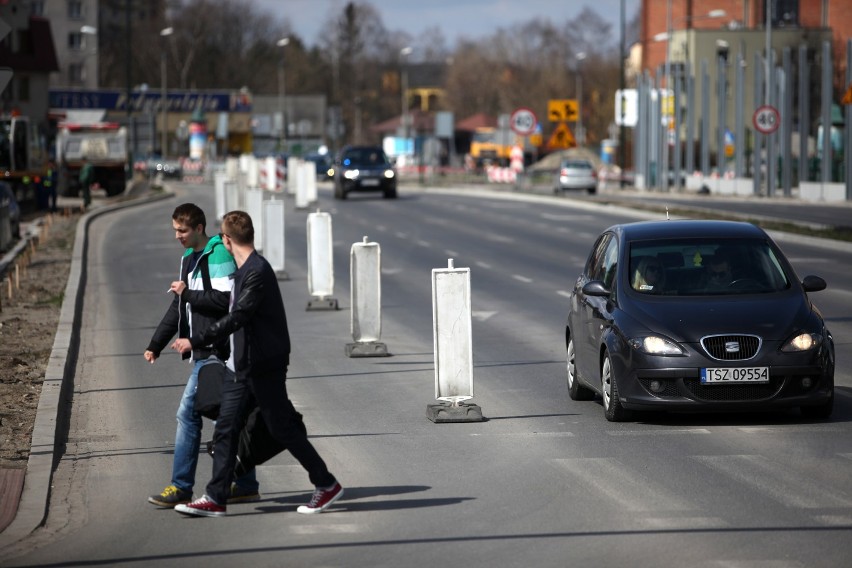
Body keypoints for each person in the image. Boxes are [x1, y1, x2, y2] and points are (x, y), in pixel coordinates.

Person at [171, 210, 343, 518]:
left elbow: (239, 316)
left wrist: (196, 341)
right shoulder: (244, 269)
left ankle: (326, 483)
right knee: (226, 428)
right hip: (242, 366)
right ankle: (215, 497)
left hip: (263, 366)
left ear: (226, 240)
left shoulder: (256, 272)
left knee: (283, 428)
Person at [144, 203, 259, 508]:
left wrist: (188, 294)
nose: (177, 236)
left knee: (188, 413)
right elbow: (179, 306)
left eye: (182, 231)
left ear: (198, 228)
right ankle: (246, 483)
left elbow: (226, 301)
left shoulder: (217, 254)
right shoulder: (188, 259)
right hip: (202, 348)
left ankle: (181, 486)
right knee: (229, 415)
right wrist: (155, 344)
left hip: (217, 349)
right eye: (174, 230)